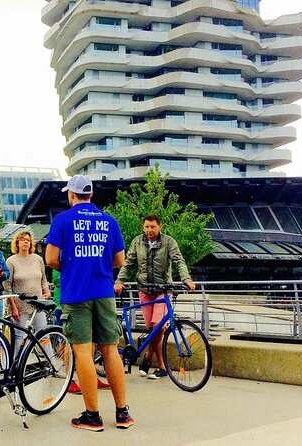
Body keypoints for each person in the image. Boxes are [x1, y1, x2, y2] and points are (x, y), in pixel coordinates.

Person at [45, 175, 133, 432]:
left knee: (83, 352)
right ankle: (122, 413)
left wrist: (72, 267)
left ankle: (93, 416)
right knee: (110, 350)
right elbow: (119, 260)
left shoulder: (62, 220)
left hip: (76, 294)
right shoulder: (109, 221)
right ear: (90, 195)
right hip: (104, 292)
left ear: (71, 195)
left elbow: (50, 259)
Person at [114, 214, 196, 380]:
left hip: (163, 290)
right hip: (144, 289)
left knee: (158, 326)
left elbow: (179, 261)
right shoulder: (137, 241)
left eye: (152, 227)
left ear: (160, 227)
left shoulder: (168, 242)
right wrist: (119, 281)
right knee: (153, 329)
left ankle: (147, 358)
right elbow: (128, 262)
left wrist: (186, 278)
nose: (149, 230)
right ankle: (161, 366)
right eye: (146, 227)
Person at [52, 269, 110, 394]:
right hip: (65, 304)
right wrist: (79, 278)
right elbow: (56, 279)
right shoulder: (62, 255)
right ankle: (69, 379)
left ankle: (92, 377)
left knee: (91, 341)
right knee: (68, 342)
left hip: (86, 301)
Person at [3, 230, 51, 357]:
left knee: (44, 333)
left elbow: (43, 280)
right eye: (23, 239)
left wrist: (46, 291)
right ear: (17, 243)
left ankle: (52, 364)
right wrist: (13, 306)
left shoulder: (38, 259)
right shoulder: (11, 261)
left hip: (37, 303)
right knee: (18, 336)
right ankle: (15, 366)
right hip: (19, 304)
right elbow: (7, 286)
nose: (26, 242)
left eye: (28, 240)